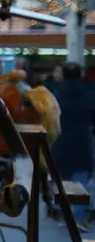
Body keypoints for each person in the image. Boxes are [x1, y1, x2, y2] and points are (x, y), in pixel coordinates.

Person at [51, 62, 95, 224]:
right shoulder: (90, 96)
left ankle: (65, 215)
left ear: (63, 75)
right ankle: (79, 216)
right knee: (81, 178)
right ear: (81, 75)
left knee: (63, 179)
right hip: (83, 141)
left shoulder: (56, 97)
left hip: (61, 142)